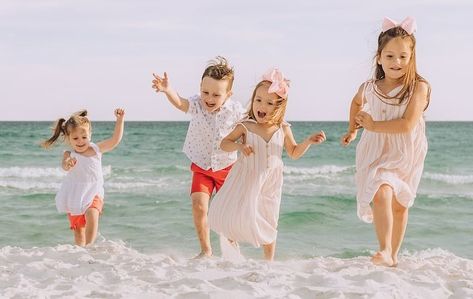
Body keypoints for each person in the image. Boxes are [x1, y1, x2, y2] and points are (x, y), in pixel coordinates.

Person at [208, 68, 326, 261]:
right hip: (247, 178)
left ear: (279, 107)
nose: (261, 105)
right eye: (258, 100)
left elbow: (294, 152)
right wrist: (239, 146)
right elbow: (224, 143)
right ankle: (231, 248)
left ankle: (268, 261)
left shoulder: (282, 128)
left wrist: (308, 142)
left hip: (271, 182)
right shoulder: (246, 125)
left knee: (269, 219)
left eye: (269, 103)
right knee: (238, 213)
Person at [340, 16, 431, 267]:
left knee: (401, 205)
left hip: (407, 151)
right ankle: (384, 249)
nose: (396, 62)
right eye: (390, 56)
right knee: (381, 191)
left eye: (403, 56)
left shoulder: (418, 88)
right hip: (377, 151)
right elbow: (356, 103)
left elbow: (407, 124)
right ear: (379, 58)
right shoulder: (370, 87)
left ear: (411, 57)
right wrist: (353, 130)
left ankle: (393, 256)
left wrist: (372, 125)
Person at [151, 56, 244, 258]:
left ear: (228, 94)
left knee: (226, 213)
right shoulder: (197, 104)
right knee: (199, 206)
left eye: (216, 95)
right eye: (205, 92)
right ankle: (206, 250)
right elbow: (181, 103)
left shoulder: (235, 110)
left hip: (227, 166)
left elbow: (248, 127)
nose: (209, 98)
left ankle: (232, 249)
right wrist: (168, 90)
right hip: (201, 165)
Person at [42, 109, 125, 246]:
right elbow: (64, 165)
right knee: (79, 232)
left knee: (93, 213)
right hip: (75, 194)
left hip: (94, 191)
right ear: (69, 138)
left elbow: (115, 140)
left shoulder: (96, 150)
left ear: (90, 135)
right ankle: (81, 253)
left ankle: (90, 247)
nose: (80, 141)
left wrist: (120, 120)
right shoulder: (68, 153)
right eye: (75, 138)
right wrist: (68, 164)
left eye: (84, 137)